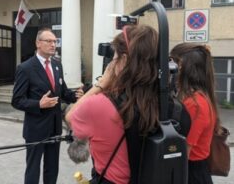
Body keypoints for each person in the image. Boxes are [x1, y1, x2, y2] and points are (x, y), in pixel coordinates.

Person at [66, 24, 160, 184]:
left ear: (123, 61)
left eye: (114, 57)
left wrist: (101, 83)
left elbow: (70, 116)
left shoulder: (100, 105)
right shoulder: (169, 102)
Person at [11, 28, 83, 184]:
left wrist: (75, 95)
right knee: (33, 169)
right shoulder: (25, 68)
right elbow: (17, 100)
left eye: (55, 41)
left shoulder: (57, 65)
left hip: (54, 127)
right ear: (38, 43)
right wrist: (38, 104)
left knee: (52, 168)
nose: (53, 45)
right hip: (36, 129)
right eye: (49, 41)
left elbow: (62, 92)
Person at [170, 43, 219, 184]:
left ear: (184, 68)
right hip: (196, 170)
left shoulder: (195, 104)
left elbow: (184, 151)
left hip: (191, 173)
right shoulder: (200, 97)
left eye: (174, 63)